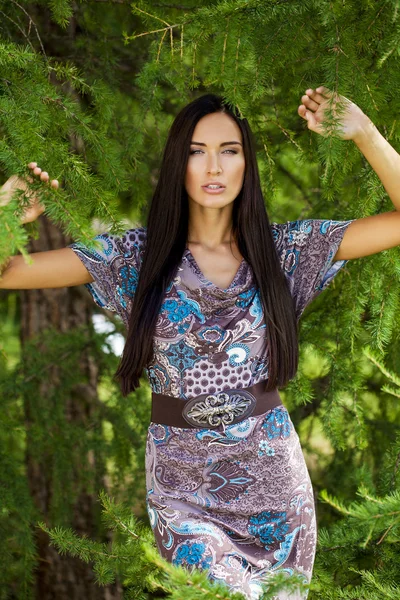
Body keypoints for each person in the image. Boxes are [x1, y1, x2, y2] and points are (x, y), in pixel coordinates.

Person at [1, 87, 400, 600]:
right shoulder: (133, 259)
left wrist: (364, 133)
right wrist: (8, 213)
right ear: (177, 164)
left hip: (276, 488)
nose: (213, 166)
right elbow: (8, 273)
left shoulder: (287, 251)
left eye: (228, 150)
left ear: (245, 165)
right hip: (182, 494)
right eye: (196, 151)